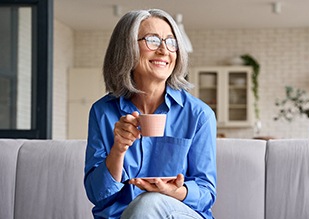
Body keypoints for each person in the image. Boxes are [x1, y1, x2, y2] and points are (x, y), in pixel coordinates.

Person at [83, 9, 217, 219]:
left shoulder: (199, 115)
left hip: (179, 213)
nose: (164, 50)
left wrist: (172, 191)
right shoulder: (103, 112)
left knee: (148, 203)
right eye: (152, 40)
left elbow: (207, 193)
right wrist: (118, 150)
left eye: (171, 42)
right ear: (126, 48)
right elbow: (97, 194)